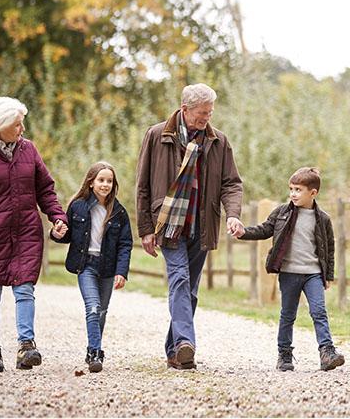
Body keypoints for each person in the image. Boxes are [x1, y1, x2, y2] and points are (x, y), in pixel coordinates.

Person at [136, 83, 244, 370]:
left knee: (190, 290)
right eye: (201, 114)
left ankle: (175, 351)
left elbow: (231, 183)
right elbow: (143, 185)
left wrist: (232, 213)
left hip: (202, 224)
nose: (206, 118)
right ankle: (186, 342)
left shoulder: (219, 141)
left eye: (209, 113)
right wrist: (146, 228)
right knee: (180, 280)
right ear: (184, 109)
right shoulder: (158, 135)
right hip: (168, 223)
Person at [0, 97, 67, 373]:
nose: (22, 129)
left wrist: (56, 216)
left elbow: (45, 188)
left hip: (26, 232)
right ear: (1, 125)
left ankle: (26, 345)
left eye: (22, 123)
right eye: (17, 124)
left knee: (25, 289)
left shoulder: (28, 150)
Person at [237, 167, 345, 372]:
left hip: (313, 273)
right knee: (288, 314)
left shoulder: (322, 219)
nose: (293, 194)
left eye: (298, 189)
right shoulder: (282, 213)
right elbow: (264, 229)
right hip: (289, 273)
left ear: (313, 193)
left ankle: (327, 352)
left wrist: (328, 275)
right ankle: (284, 354)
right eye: (291, 189)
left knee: (319, 311)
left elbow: (329, 248)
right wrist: (244, 232)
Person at [51, 161, 132, 373]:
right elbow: (67, 235)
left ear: (113, 184)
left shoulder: (119, 212)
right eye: (101, 180)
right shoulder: (77, 206)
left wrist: (121, 272)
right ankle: (95, 352)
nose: (105, 184)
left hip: (107, 267)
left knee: (102, 311)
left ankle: (91, 348)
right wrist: (56, 233)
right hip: (85, 265)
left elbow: (125, 244)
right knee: (93, 308)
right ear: (91, 182)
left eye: (109, 181)